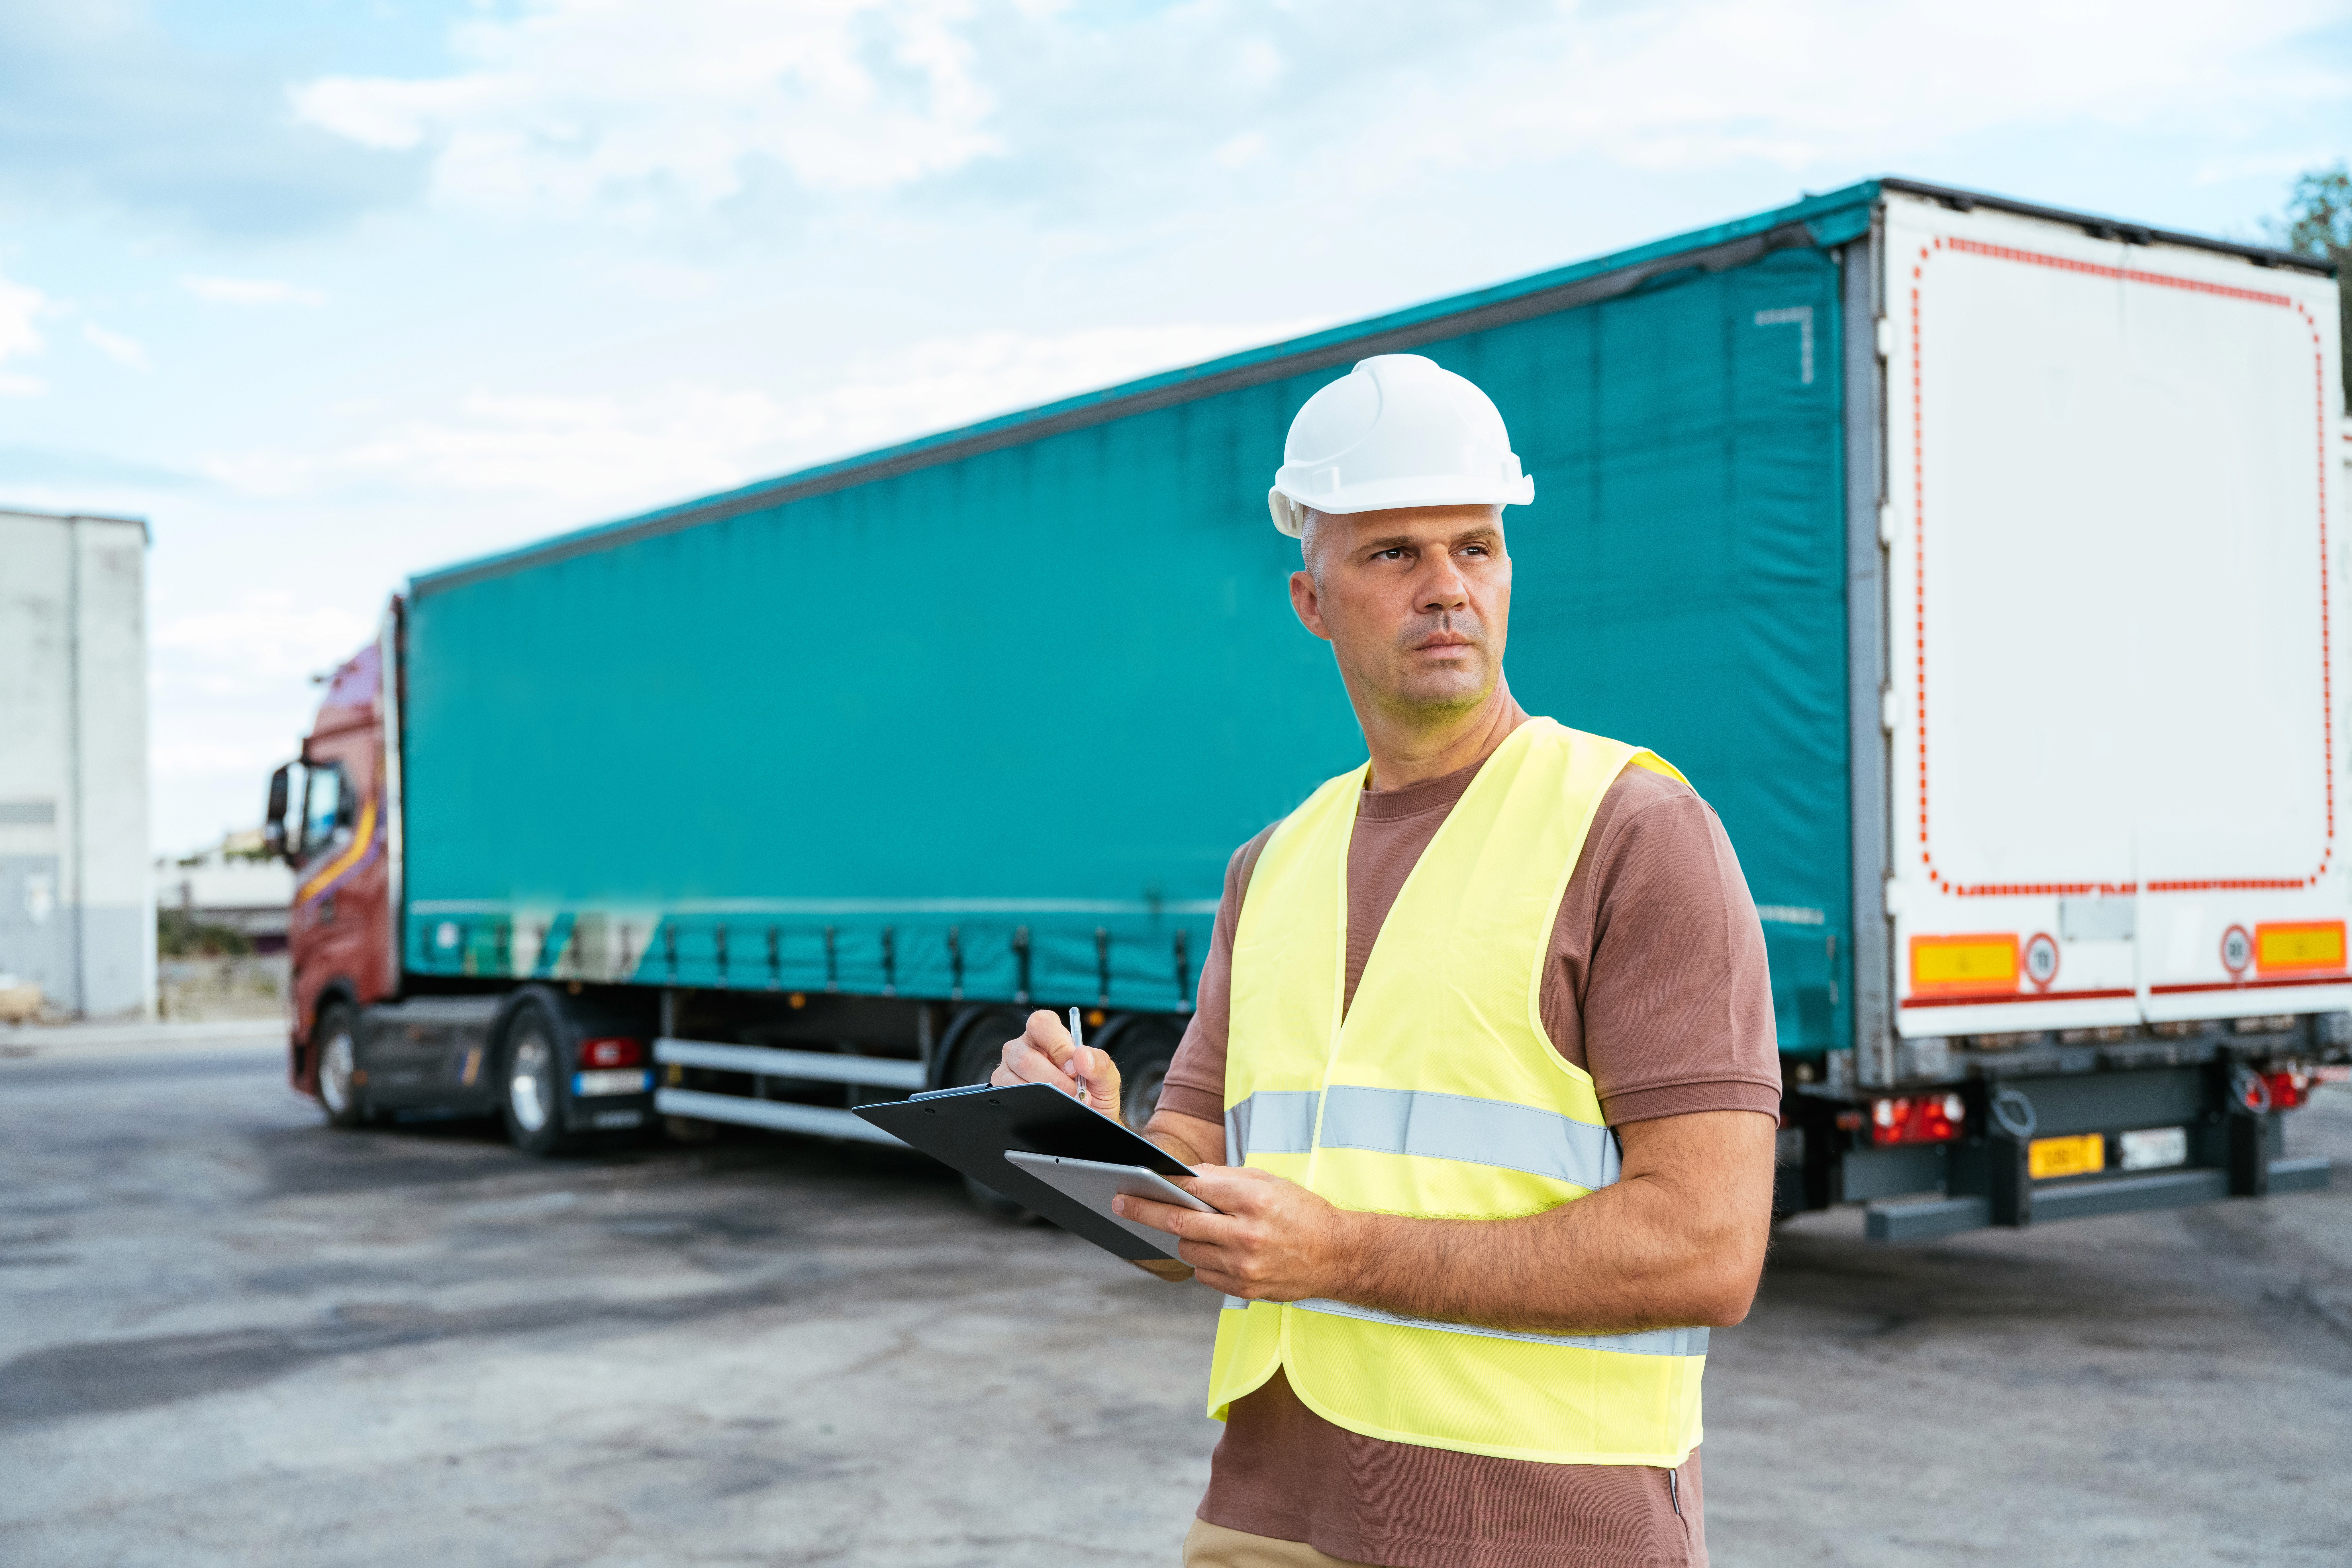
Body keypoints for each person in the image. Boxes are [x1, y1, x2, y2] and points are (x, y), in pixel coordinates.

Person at [994, 353, 1780, 1568]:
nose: (1447, 589)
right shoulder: (1274, 864)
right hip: (1268, 1512)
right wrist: (1079, 1141)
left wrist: (1344, 1252)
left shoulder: (1630, 828)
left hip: (1543, 1526)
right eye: (1393, 553)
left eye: (1475, 546)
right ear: (1311, 599)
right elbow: (1186, 1205)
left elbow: (1711, 1245)